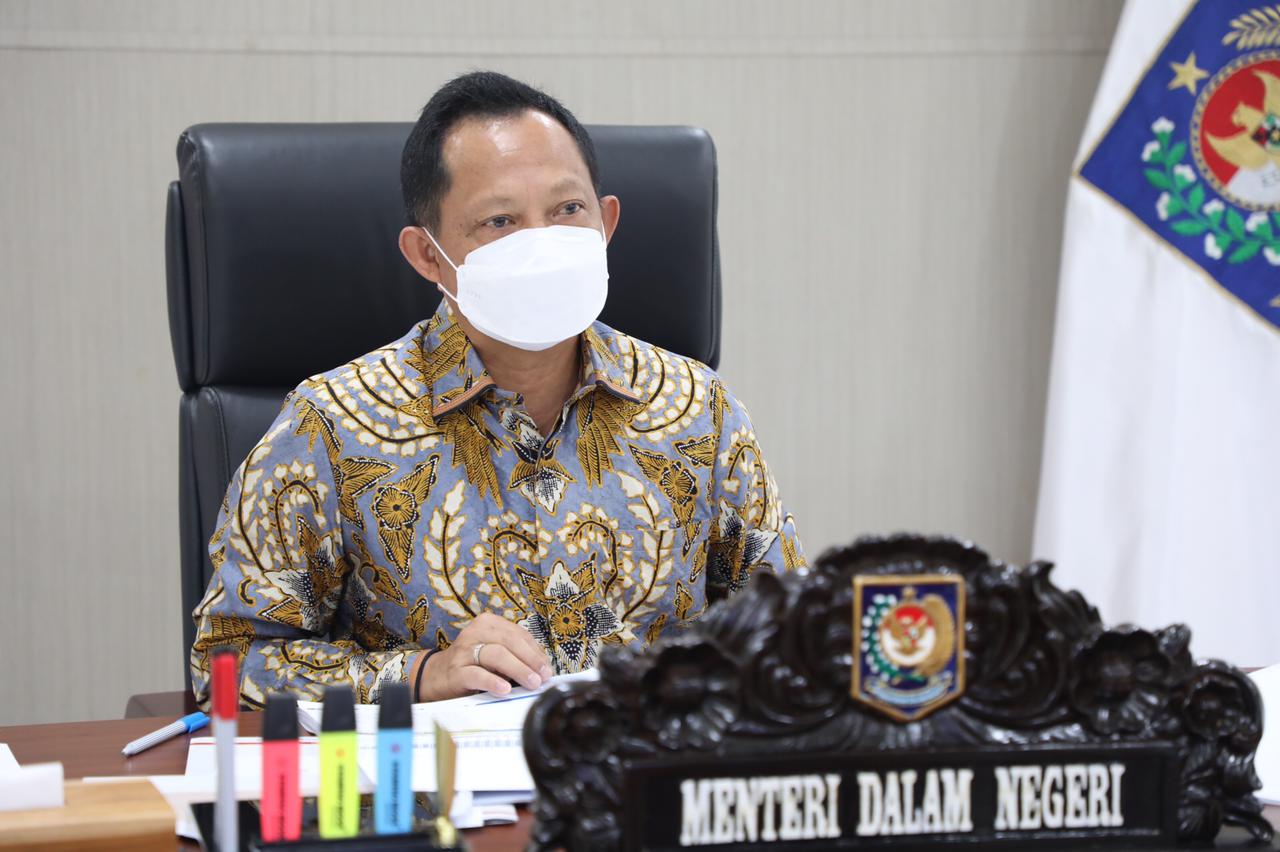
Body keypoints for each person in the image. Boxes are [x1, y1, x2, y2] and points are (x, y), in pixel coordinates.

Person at [189, 71, 804, 709]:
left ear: (606, 223)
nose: (540, 245)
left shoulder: (698, 409)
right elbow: (227, 664)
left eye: (568, 210)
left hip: (647, 764)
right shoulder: (331, 425)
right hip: (440, 773)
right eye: (500, 220)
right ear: (427, 256)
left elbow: (792, 636)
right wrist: (421, 675)